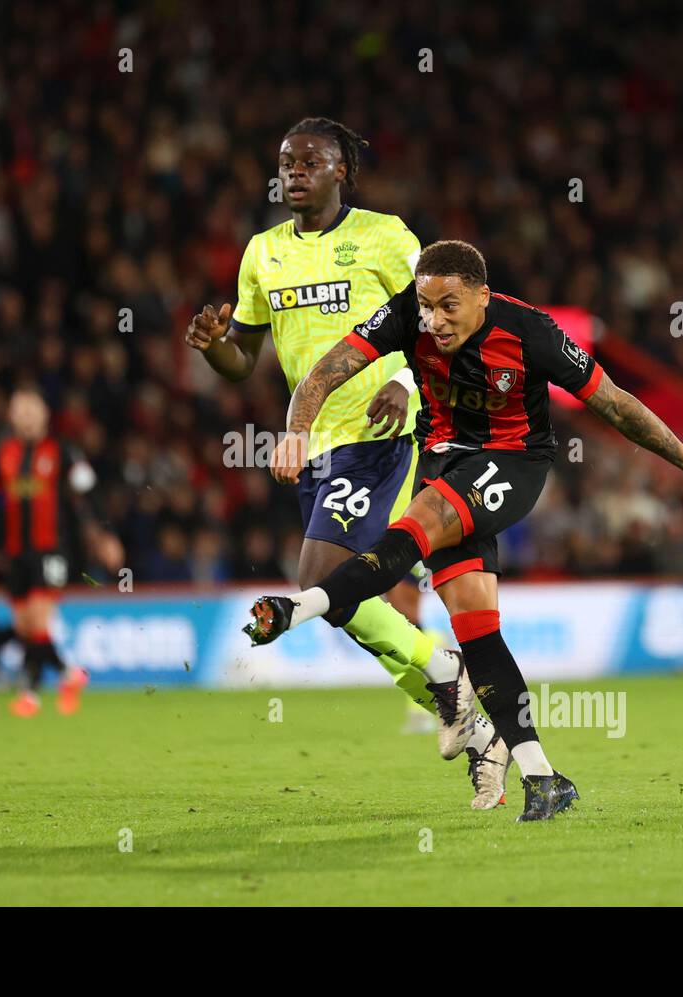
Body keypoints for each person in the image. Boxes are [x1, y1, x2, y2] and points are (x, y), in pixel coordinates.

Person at [245, 240, 683, 820]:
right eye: (427, 306)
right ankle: (544, 778)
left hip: (512, 461)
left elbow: (615, 404)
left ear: (483, 296)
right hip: (440, 461)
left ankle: (293, 610)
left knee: (413, 528)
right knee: (476, 631)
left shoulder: (531, 332)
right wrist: (298, 430)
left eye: (448, 306)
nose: (433, 321)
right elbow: (324, 372)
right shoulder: (407, 311)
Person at [186, 118, 507, 809]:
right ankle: (462, 706)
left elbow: (444, 325)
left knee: (318, 581)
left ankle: (448, 679)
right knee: (339, 601)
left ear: (342, 171)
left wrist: (411, 383)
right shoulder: (262, 254)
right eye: (284, 162)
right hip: (314, 449)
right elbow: (243, 362)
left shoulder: (387, 238)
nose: (292, 171)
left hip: (383, 434)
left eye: (308, 161)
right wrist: (215, 347)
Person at [0, 385, 123, 717]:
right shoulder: (3, 453)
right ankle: (70, 674)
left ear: (44, 414)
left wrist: (106, 535)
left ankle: (30, 693)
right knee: (24, 627)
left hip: (54, 550)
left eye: (32, 408)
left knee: (37, 618)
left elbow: (89, 493)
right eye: (19, 410)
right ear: (11, 416)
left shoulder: (63, 451)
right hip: (16, 552)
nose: (26, 416)